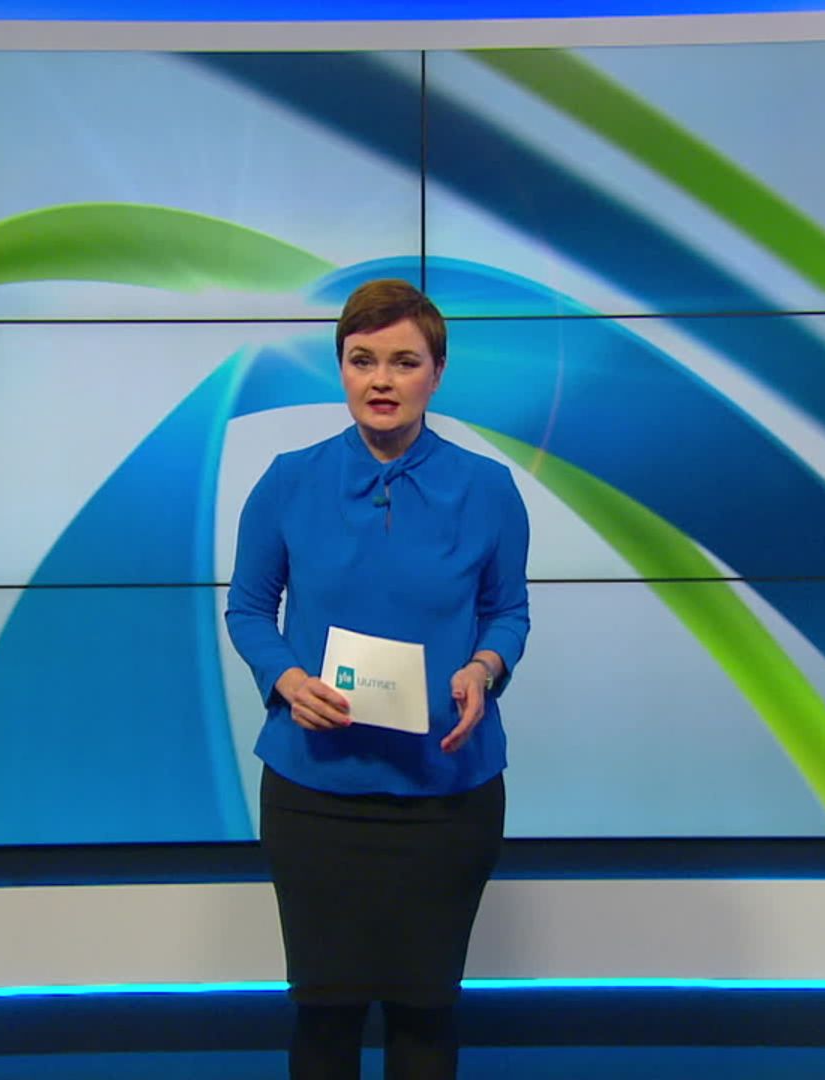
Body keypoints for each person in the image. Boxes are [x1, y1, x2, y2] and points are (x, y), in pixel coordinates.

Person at [225, 278, 532, 1079]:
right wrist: (287, 680)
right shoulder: (288, 480)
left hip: (447, 792)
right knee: (325, 1016)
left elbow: (508, 612)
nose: (382, 380)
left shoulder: (489, 489)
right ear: (342, 369)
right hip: (315, 793)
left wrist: (484, 667)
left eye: (404, 361)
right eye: (362, 360)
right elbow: (249, 609)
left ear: (437, 373)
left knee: (425, 1014)